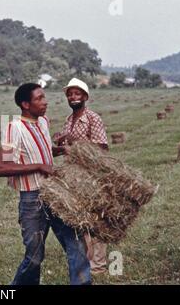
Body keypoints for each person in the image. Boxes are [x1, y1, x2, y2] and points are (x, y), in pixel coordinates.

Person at [0, 83, 91, 285]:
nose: (45, 102)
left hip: (56, 194)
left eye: (44, 97)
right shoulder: (15, 128)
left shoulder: (43, 122)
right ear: (25, 104)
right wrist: (39, 166)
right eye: (39, 98)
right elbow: (2, 168)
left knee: (77, 243)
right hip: (32, 200)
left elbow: (44, 150)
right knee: (34, 258)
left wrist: (60, 150)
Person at [55, 78, 109, 275]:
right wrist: (61, 142)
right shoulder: (69, 120)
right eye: (70, 94)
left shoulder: (93, 118)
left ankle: (99, 266)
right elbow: (66, 147)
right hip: (73, 175)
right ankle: (87, 261)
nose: (73, 97)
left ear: (85, 97)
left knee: (96, 219)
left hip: (91, 173)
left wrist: (74, 141)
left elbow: (101, 147)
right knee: (81, 219)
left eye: (77, 94)